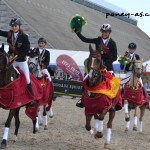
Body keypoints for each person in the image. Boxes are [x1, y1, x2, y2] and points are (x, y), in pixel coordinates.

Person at [74, 23, 117, 108]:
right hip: (96, 64)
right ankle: (82, 100)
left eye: (106, 32)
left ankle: (112, 102)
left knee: (114, 83)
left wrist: (106, 63)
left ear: (109, 33)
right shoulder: (98, 40)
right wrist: (77, 32)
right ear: (101, 32)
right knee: (86, 79)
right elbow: (84, 39)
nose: (104, 33)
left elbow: (114, 57)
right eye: (103, 32)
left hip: (107, 66)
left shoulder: (112, 43)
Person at [0, 18, 36, 107]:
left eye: (15, 26)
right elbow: (0, 32)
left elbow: (26, 49)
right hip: (11, 59)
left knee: (27, 78)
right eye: (12, 26)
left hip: (21, 61)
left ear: (19, 26)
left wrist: (19, 56)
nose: (14, 27)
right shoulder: (9, 34)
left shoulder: (24, 36)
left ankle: (32, 98)